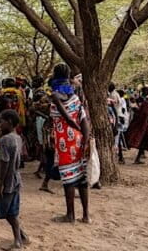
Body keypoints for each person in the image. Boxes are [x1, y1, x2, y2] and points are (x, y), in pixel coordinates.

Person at [49, 64, 90, 223]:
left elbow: (68, 118)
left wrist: (74, 128)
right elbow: (83, 119)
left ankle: (70, 215)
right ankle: (86, 215)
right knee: (82, 178)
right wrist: (85, 140)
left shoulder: (55, 95)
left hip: (65, 141)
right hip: (79, 140)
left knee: (68, 179)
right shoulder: (75, 97)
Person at [0, 109, 29, 250]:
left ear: (9, 122)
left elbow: (4, 162)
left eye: (1, 122)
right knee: (12, 210)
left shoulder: (5, 140)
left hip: (7, 181)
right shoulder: (18, 137)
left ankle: (18, 240)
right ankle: (22, 236)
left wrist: (0, 182)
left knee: (7, 212)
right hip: (16, 179)